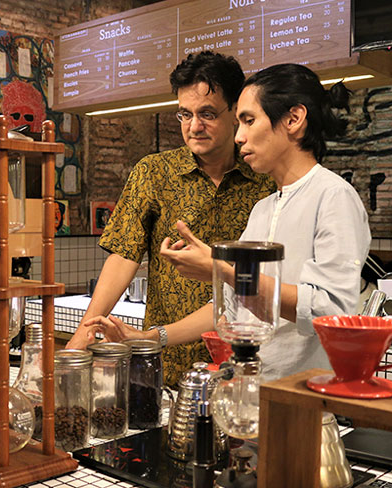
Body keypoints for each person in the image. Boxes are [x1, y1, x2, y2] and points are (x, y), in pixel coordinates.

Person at [80, 63, 371, 382]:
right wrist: (151, 338)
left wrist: (221, 269)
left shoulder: (333, 196)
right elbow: (229, 307)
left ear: (293, 119)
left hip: (307, 398)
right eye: (185, 115)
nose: (240, 135)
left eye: (247, 120)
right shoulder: (265, 207)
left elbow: (331, 311)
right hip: (251, 390)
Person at [66, 51, 276, 386]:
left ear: (236, 112)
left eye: (207, 114)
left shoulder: (265, 180)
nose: (194, 127)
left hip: (244, 364)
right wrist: (85, 331)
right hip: (161, 361)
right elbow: (124, 255)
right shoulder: (154, 173)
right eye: (185, 114)